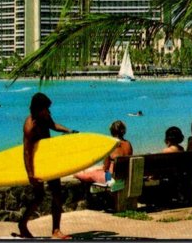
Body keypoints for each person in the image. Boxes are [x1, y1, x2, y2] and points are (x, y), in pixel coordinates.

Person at [19, 92, 77, 240]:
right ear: (38, 109)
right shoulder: (30, 127)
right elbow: (26, 152)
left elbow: (53, 125)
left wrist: (68, 131)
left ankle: (56, 230)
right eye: (46, 109)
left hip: (49, 161)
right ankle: (22, 224)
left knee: (57, 194)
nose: (49, 112)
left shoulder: (44, 117)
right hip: (36, 163)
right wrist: (30, 174)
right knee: (39, 196)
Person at [75, 120, 133, 185]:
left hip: (111, 179)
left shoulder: (111, 146)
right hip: (124, 176)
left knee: (88, 174)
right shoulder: (128, 144)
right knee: (96, 170)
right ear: (123, 131)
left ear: (111, 132)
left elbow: (106, 168)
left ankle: (75, 174)